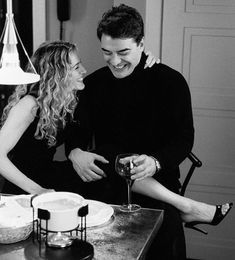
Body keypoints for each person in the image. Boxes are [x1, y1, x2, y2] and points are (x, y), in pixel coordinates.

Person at [64, 4, 232, 260]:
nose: (115, 61)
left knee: (165, 239)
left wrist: (155, 162)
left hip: (158, 181)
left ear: (142, 44)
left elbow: (184, 139)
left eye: (123, 52)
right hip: (107, 182)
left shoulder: (170, 82)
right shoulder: (94, 84)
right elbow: (76, 134)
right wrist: (75, 152)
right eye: (106, 52)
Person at [0, 40, 155, 195]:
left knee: (110, 157)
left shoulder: (65, 100)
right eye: (76, 67)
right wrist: (38, 191)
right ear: (57, 74)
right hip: (23, 188)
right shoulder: (29, 104)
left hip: (47, 175)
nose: (84, 70)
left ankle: (176, 202)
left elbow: (110, 82)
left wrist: (140, 59)